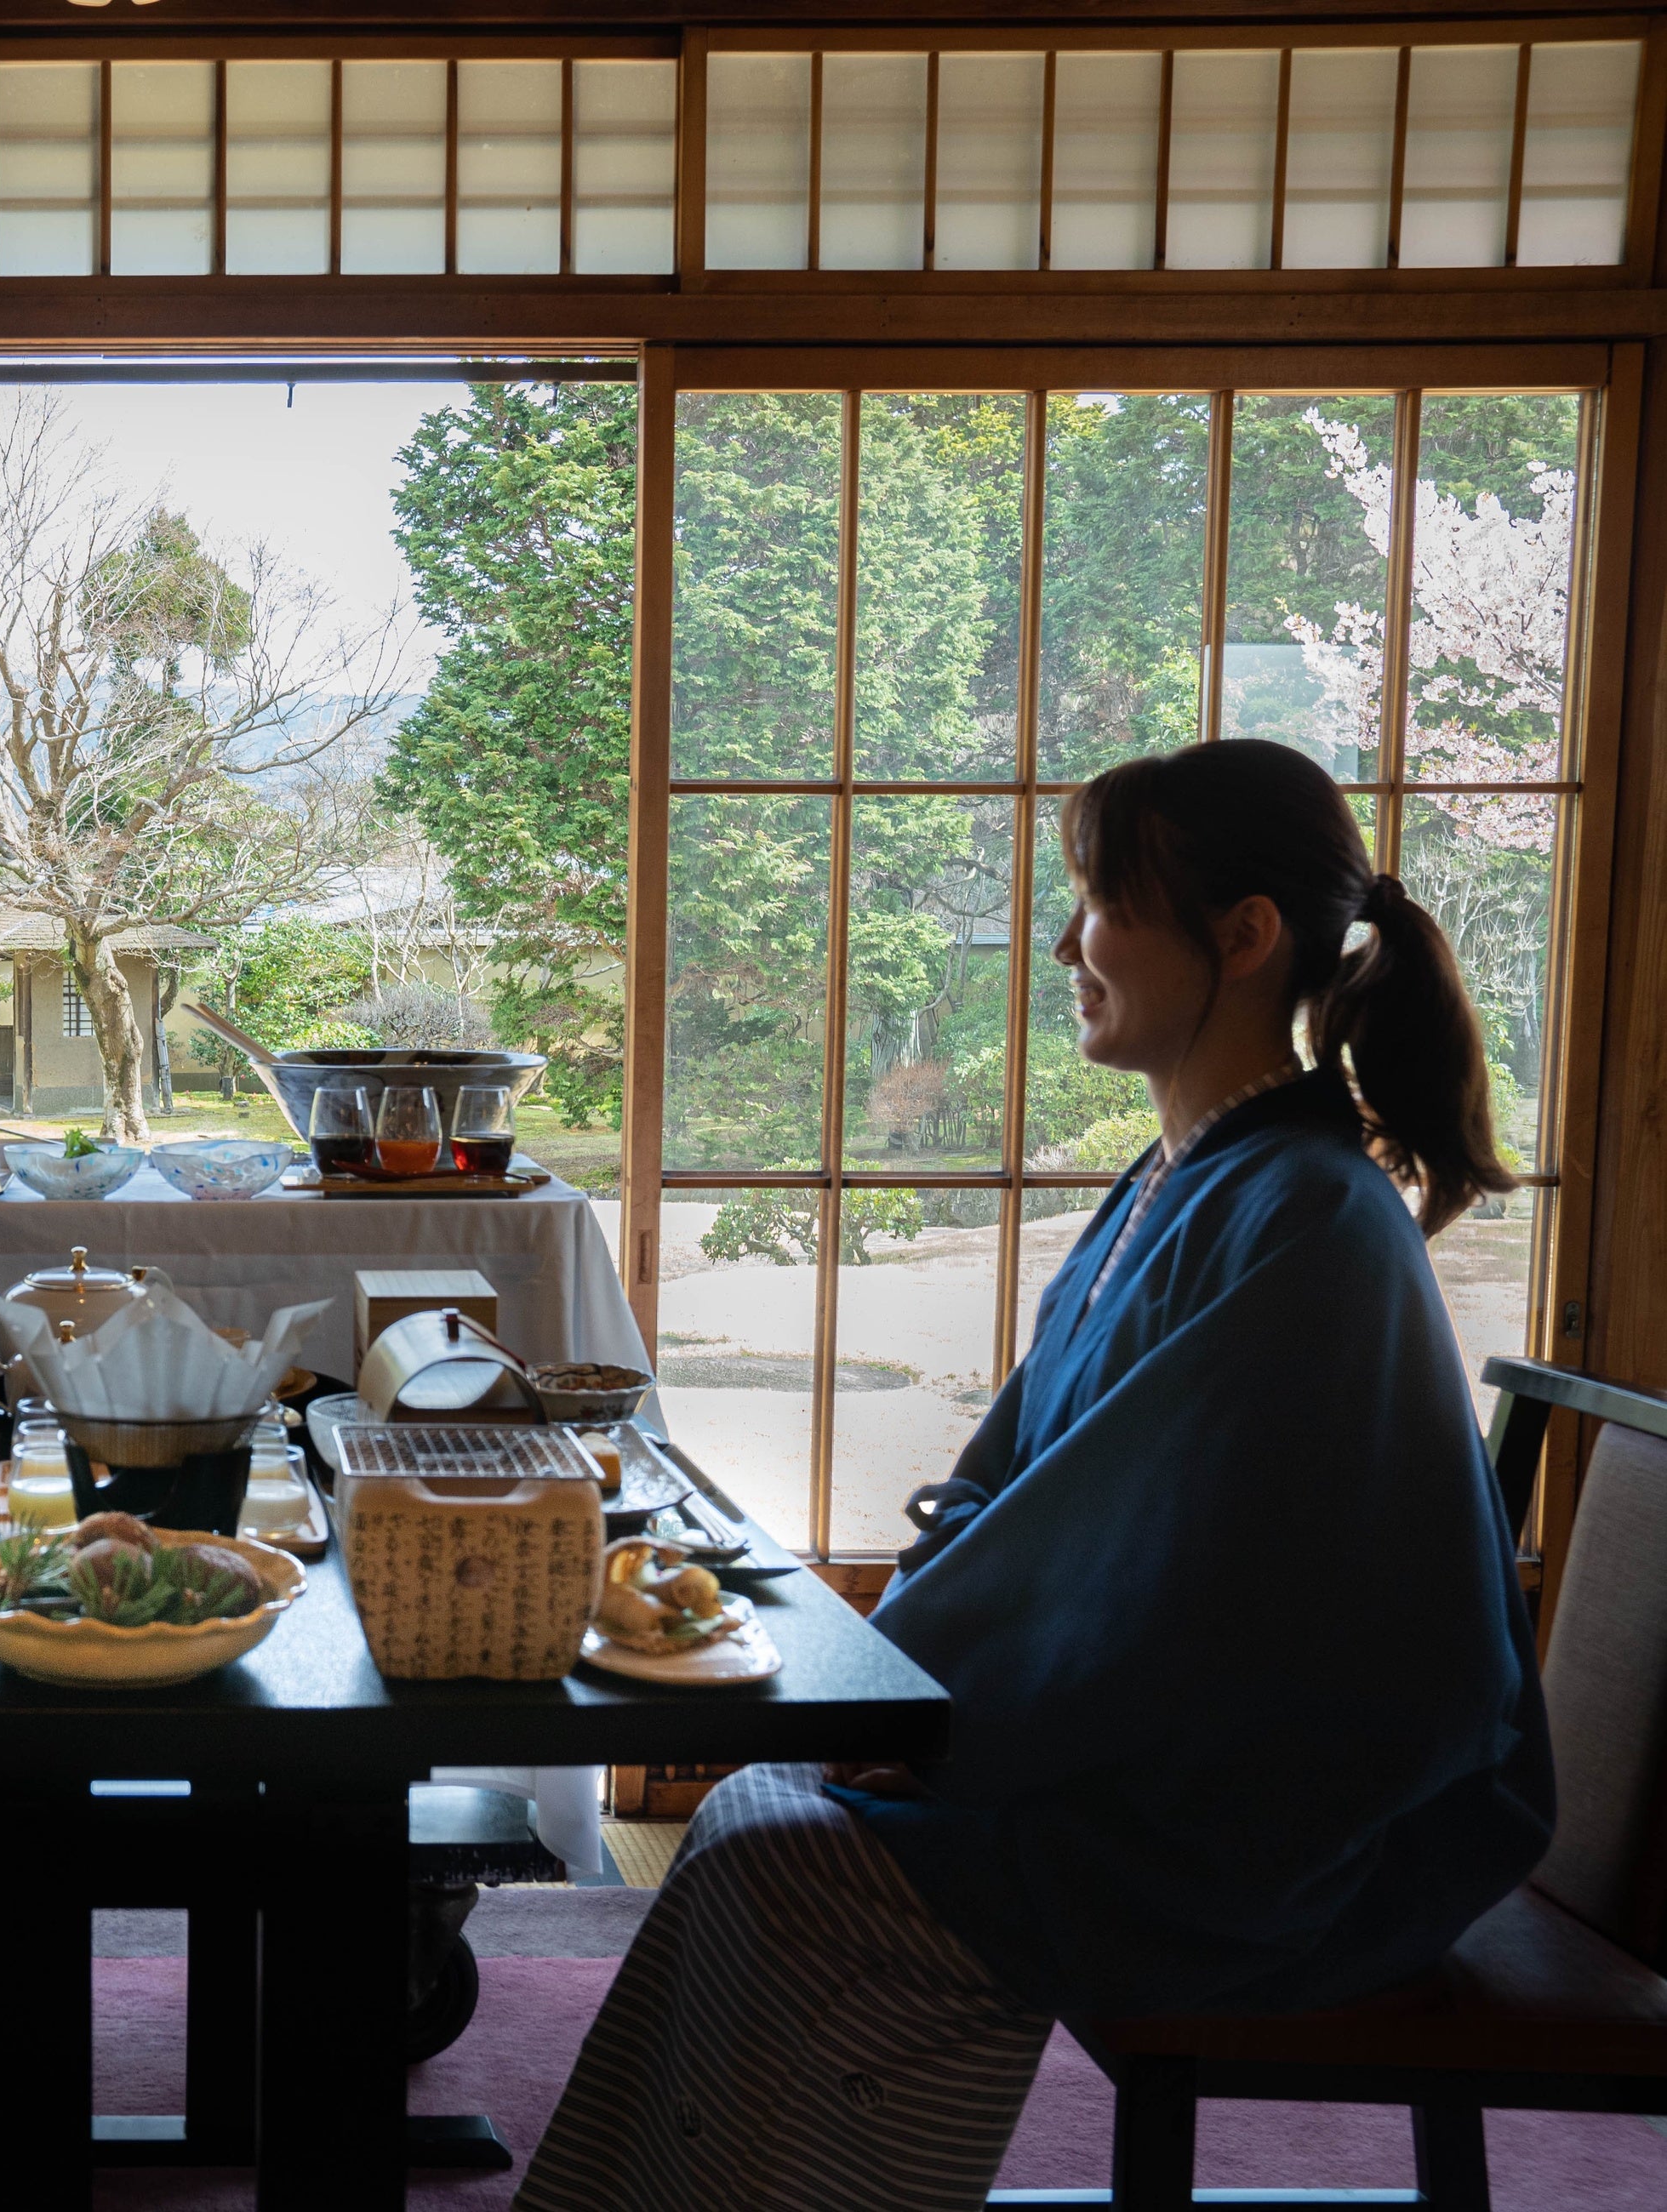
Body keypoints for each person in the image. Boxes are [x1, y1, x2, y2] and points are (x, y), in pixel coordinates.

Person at [518, 741, 1553, 2212]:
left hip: (1279, 1830)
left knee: (793, 1864)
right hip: (1161, 1754)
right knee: (764, 1814)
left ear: (1243, 936)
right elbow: (1030, 1495)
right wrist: (909, 1691)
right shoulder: (1191, 1179)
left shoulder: (1307, 1217)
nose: (1066, 944)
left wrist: (947, 1725)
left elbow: (1155, 1576)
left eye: (1096, 902)